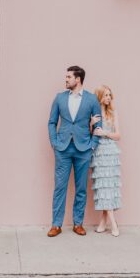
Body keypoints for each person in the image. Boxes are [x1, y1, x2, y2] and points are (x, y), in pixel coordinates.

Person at [47, 65, 102, 237]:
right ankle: (56, 224)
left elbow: (99, 126)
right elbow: (51, 122)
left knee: (81, 188)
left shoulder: (92, 100)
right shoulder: (59, 98)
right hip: (62, 148)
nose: (66, 79)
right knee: (60, 187)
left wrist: (92, 145)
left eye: (68, 77)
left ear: (78, 79)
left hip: (83, 149)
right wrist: (54, 143)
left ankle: (78, 223)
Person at [89, 85, 122, 236]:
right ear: (100, 97)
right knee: (103, 188)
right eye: (106, 95)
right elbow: (89, 134)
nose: (108, 98)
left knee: (109, 188)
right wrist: (91, 124)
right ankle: (103, 222)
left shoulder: (112, 113)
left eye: (110, 95)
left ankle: (113, 223)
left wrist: (105, 132)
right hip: (99, 153)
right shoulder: (94, 114)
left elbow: (118, 135)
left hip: (110, 153)